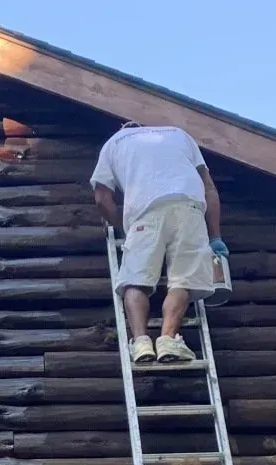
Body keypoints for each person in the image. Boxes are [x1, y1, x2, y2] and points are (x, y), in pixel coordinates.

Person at [90, 123, 229, 366]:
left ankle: (141, 341)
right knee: (183, 280)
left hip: (144, 213)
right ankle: (169, 339)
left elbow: (102, 199)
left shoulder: (115, 142)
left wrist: (123, 227)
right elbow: (209, 188)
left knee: (136, 280)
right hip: (188, 207)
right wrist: (215, 237)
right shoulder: (180, 134)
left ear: (125, 128)